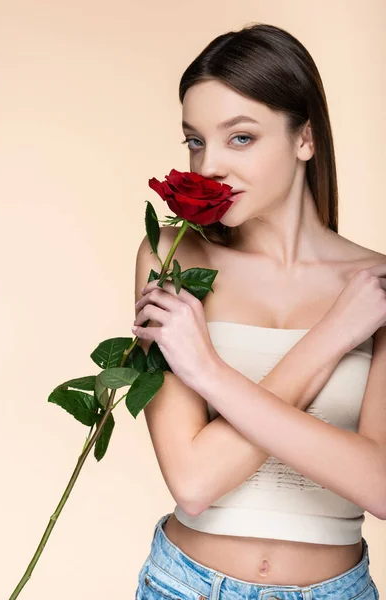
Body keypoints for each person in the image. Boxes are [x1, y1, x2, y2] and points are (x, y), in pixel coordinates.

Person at [133, 23, 385, 600]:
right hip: (183, 586)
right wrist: (332, 338)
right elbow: (194, 483)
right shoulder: (171, 257)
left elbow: (379, 484)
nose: (210, 164)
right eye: (195, 141)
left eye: (240, 138)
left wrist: (209, 374)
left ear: (306, 139)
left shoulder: (376, 287)